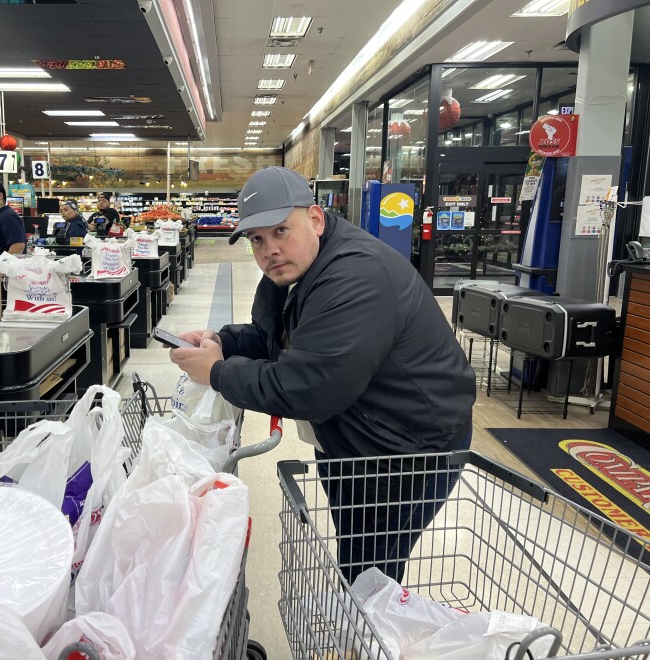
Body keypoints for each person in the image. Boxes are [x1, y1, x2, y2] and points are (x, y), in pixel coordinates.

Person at [169, 166, 476, 583]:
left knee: (372, 566)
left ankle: (368, 636)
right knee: (356, 548)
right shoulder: (297, 266)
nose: (269, 249)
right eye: (256, 239)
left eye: (280, 230)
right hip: (358, 433)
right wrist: (222, 343)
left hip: (407, 446)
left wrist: (219, 373)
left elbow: (310, 388)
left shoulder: (355, 276)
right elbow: (276, 337)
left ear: (314, 218)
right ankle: (358, 622)